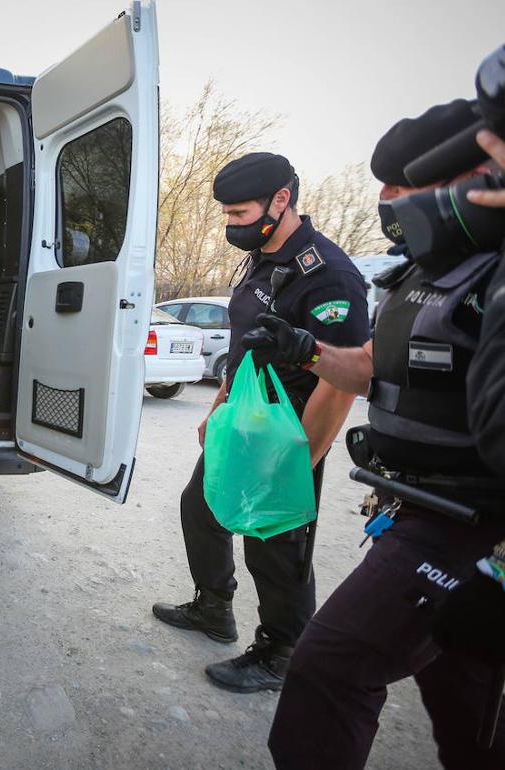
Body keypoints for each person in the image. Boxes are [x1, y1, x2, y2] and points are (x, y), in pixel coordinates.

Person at [248, 101, 505, 768]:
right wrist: (305, 349)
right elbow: (368, 367)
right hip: (409, 507)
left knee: (330, 668)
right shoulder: (419, 272)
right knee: (463, 703)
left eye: (404, 185)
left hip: (472, 526)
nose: (387, 200)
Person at [150, 152, 369, 692]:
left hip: (288, 433)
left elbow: (341, 381)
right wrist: (217, 407)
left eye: (240, 213)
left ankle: (280, 652)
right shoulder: (263, 259)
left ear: (281, 200)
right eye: (225, 213)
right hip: (242, 421)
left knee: (276, 545)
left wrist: (298, 462)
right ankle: (213, 608)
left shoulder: (329, 275)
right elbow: (250, 348)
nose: (231, 225)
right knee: (200, 508)